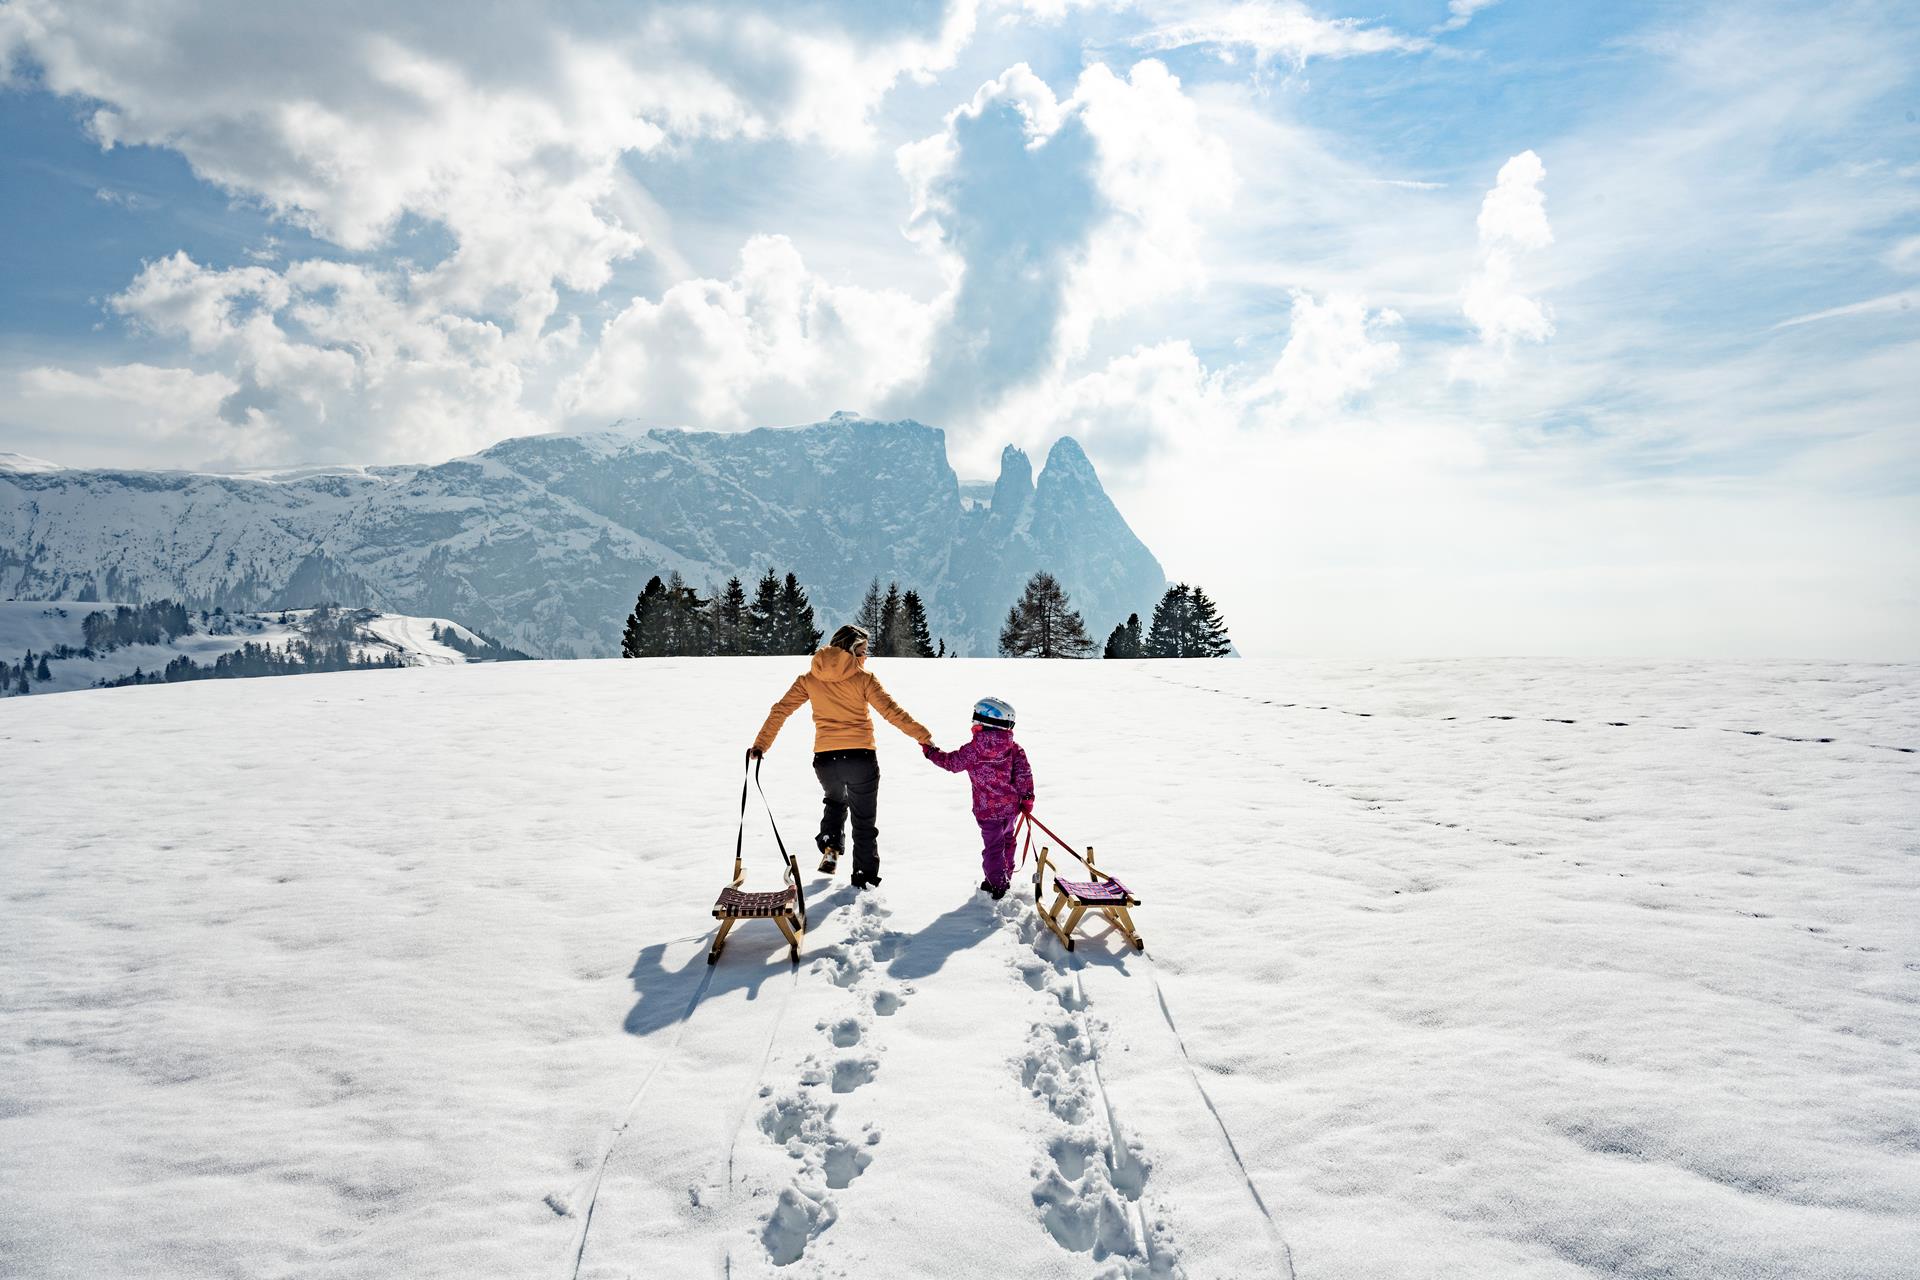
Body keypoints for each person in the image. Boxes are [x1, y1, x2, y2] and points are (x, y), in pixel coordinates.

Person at [750, 623, 932, 890]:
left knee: (835, 800)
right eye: (863, 651)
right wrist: (923, 736)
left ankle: (831, 845)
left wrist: (760, 745)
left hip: (826, 760)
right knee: (864, 822)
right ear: (851, 649)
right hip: (860, 758)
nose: (865, 657)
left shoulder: (809, 679)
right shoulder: (864, 679)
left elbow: (781, 710)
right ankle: (864, 878)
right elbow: (892, 712)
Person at [920, 696, 1034, 900]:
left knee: (994, 848)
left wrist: (931, 752)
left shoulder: (973, 750)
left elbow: (951, 763)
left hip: (987, 811)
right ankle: (1004, 876)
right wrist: (1027, 798)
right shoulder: (1014, 749)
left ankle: (996, 884)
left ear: (982, 722)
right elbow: (1024, 774)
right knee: (1008, 841)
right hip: (1010, 809)